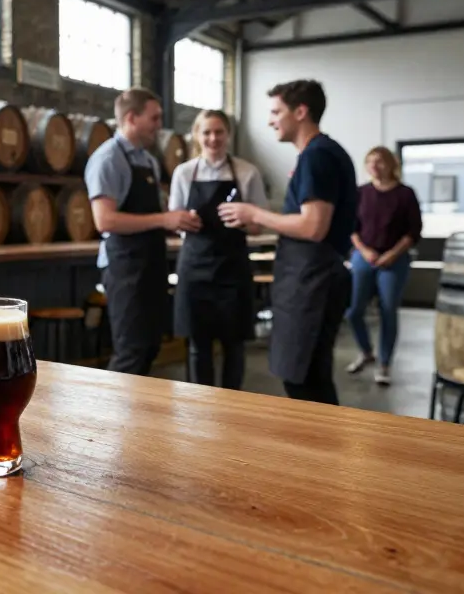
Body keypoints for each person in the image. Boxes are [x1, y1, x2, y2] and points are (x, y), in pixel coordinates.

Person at [220, 80, 357, 405]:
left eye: (275, 112)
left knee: (304, 380)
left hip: (314, 281)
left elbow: (313, 227)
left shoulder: (316, 156)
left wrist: (255, 212)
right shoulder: (322, 153)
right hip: (310, 278)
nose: (270, 121)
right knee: (308, 376)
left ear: (300, 112)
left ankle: (320, 438)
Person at [86, 87, 200, 376]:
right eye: (154, 118)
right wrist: (164, 219)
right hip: (125, 268)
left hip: (151, 264)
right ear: (131, 118)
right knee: (131, 351)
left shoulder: (147, 161)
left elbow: (154, 215)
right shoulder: (108, 159)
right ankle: (109, 406)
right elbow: (105, 221)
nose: (159, 125)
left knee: (149, 346)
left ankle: (132, 406)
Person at [169, 110, 267, 390]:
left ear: (228, 135)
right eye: (207, 132)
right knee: (197, 344)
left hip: (233, 270)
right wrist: (184, 221)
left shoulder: (247, 172)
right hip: (195, 268)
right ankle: (198, 405)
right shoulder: (184, 173)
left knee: (234, 345)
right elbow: (175, 220)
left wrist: (245, 220)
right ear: (197, 136)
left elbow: (259, 226)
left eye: (219, 132)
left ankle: (232, 404)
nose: (213, 138)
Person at [345, 146, 422, 386]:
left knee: (388, 310)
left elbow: (414, 231)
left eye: (379, 161)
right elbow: (351, 228)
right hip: (363, 257)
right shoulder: (360, 193)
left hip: (394, 260)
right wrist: (364, 250)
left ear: (391, 164)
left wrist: (392, 254)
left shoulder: (405, 194)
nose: (374, 166)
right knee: (353, 311)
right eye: (370, 162)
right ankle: (366, 352)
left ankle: (385, 364)